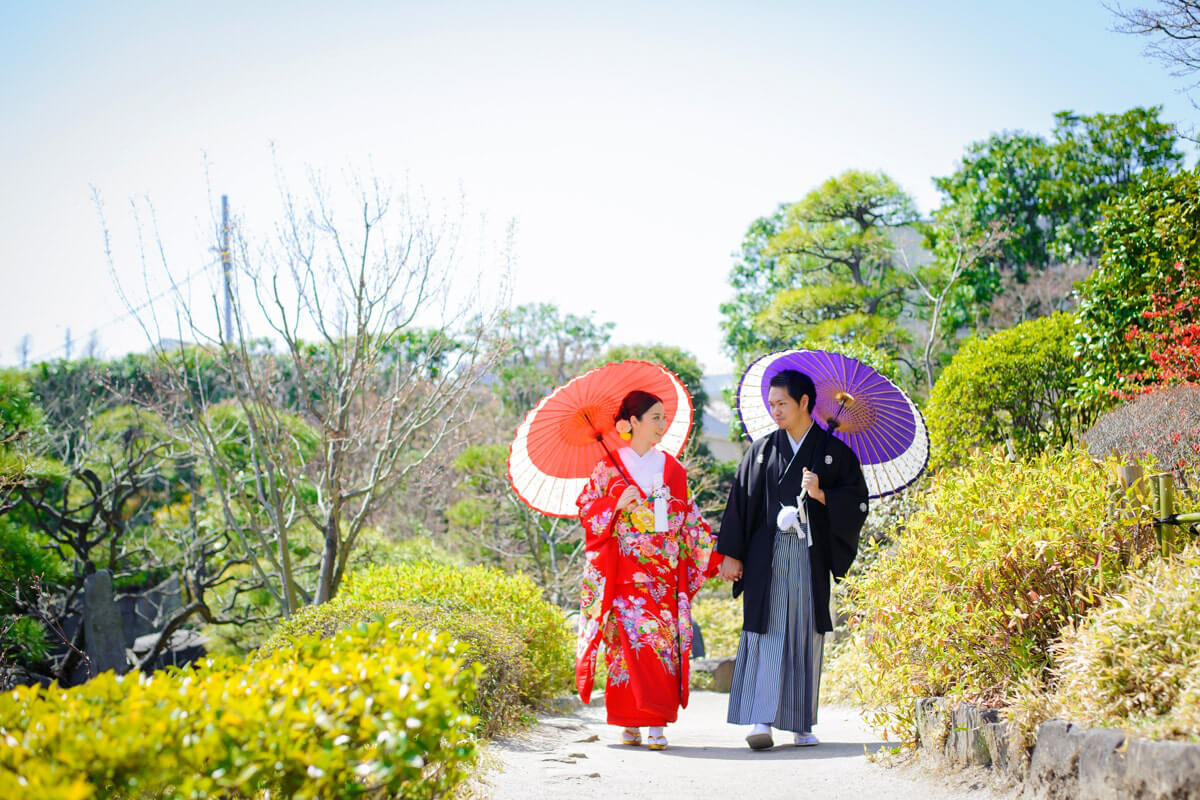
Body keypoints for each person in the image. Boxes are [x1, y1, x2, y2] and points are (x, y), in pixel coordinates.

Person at [717, 369, 868, 750]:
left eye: (782, 403)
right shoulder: (762, 450)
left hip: (808, 553)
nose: (776, 412)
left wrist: (821, 495)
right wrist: (731, 554)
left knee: (803, 631)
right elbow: (741, 503)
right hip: (765, 556)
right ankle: (761, 719)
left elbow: (857, 502)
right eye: (771, 405)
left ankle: (801, 722)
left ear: (805, 403)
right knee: (767, 630)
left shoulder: (835, 454)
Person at [575, 389, 720, 751]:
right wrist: (615, 503)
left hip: (661, 575)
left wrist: (718, 557)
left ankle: (655, 722)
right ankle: (629, 722)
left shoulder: (672, 468)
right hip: (622, 574)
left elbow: (689, 520)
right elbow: (587, 512)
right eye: (655, 417)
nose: (662, 424)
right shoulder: (607, 468)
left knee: (659, 649)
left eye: (663, 418)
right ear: (633, 422)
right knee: (624, 651)